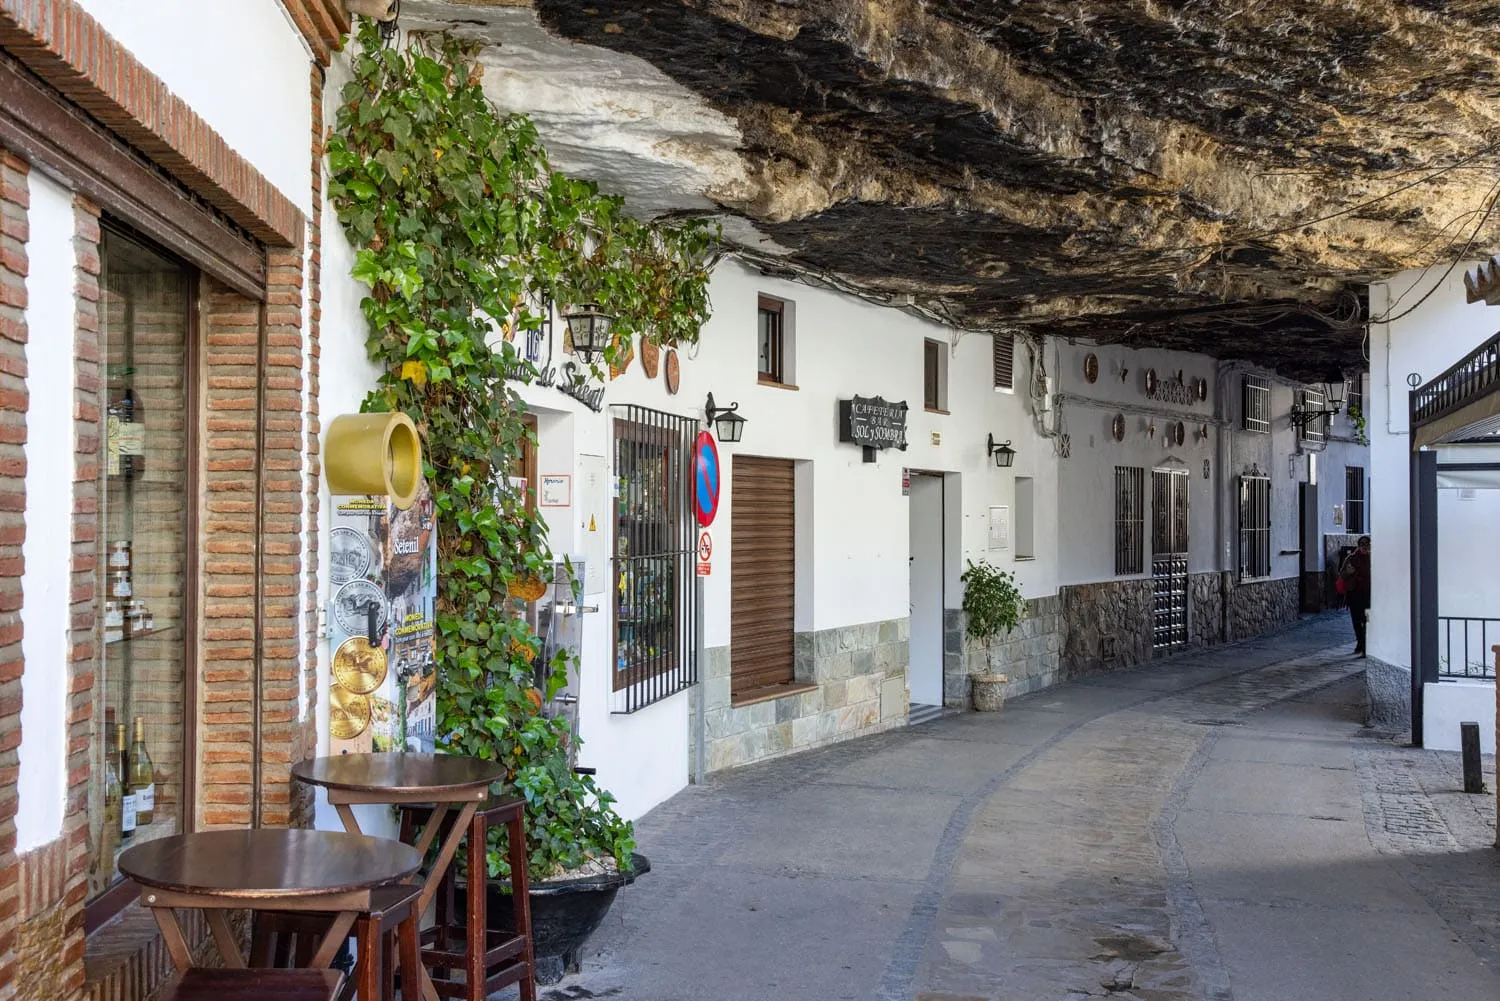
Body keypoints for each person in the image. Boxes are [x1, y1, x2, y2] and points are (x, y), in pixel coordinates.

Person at [1341, 536, 1372, 657]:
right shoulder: (1351, 558)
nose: (1365, 547)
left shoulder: (1373, 558)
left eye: (1367, 545)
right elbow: (1341, 575)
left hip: (1369, 595)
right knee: (1356, 621)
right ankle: (1360, 642)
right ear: (1359, 546)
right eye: (1363, 545)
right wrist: (1348, 572)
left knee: (1367, 621)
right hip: (1354, 594)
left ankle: (1365, 647)